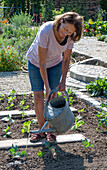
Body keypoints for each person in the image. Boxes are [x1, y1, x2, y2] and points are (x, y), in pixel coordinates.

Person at [26, 12, 83, 142]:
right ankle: (41, 130)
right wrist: (47, 86)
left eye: (70, 32)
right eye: (65, 29)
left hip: (55, 64)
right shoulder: (46, 30)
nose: (66, 33)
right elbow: (42, 62)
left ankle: (50, 131)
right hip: (36, 63)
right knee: (38, 96)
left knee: (53, 96)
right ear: (62, 20)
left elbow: (66, 59)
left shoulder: (70, 37)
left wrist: (63, 82)